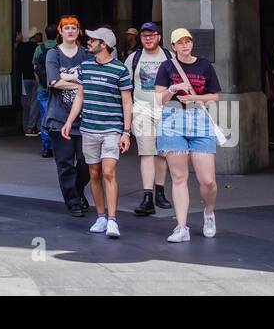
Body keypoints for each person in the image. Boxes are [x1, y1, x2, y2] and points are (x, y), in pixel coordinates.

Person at [63, 27, 133, 237]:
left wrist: (126, 132)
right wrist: (69, 122)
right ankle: (101, 216)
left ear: (104, 44)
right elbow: (80, 96)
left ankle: (112, 220)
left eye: (93, 40)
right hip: (89, 128)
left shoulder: (120, 70)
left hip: (111, 128)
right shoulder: (85, 67)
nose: (88, 42)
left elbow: (127, 102)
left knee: (109, 172)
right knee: (94, 173)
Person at [155, 28, 223, 243]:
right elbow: (159, 99)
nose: (185, 45)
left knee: (208, 180)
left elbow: (215, 96)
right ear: (173, 46)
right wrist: (173, 88)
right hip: (173, 120)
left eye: (188, 41)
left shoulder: (204, 65)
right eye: (180, 42)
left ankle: (209, 213)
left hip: (199, 120)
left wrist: (196, 98)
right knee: (179, 177)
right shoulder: (166, 67)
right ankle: (181, 226)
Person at [43, 16, 94, 217]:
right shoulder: (52, 54)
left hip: (85, 119)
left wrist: (67, 78)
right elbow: (53, 81)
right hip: (58, 117)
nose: (71, 31)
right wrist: (79, 82)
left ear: (78, 31)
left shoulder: (86, 54)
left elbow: (91, 80)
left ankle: (78, 190)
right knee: (64, 163)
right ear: (60, 31)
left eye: (74, 28)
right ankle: (72, 200)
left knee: (86, 161)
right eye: (67, 28)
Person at [124, 22, 173, 216]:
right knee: (146, 152)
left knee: (162, 154)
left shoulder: (169, 57)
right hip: (142, 110)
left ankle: (160, 191)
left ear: (159, 37)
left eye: (152, 35)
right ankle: (147, 196)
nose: (148, 38)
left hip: (166, 110)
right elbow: (125, 86)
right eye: (145, 35)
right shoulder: (133, 58)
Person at [33, 25, 58, 157]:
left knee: (44, 117)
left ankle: (46, 147)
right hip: (58, 88)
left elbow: (35, 68)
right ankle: (58, 145)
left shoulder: (39, 48)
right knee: (59, 117)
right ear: (58, 35)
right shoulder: (60, 48)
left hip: (43, 87)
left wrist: (40, 84)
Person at [16, 28, 40, 136]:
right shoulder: (38, 48)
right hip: (35, 78)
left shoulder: (21, 46)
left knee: (28, 102)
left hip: (25, 77)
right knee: (35, 103)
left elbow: (16, 50)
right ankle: (31, 127)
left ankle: (27, 126)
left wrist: (18, 40)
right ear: (35, 37)